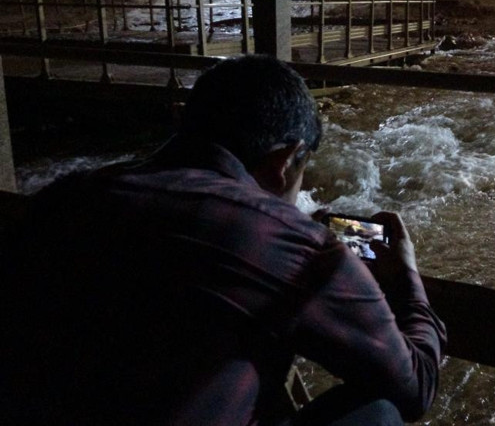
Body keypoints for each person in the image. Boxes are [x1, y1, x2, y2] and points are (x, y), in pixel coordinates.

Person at [1, 55, 446, 425]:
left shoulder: (63, 197)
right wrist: (406, 277)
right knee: (380, 411)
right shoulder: (299, 248)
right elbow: (416, 385)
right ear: (287, 159)